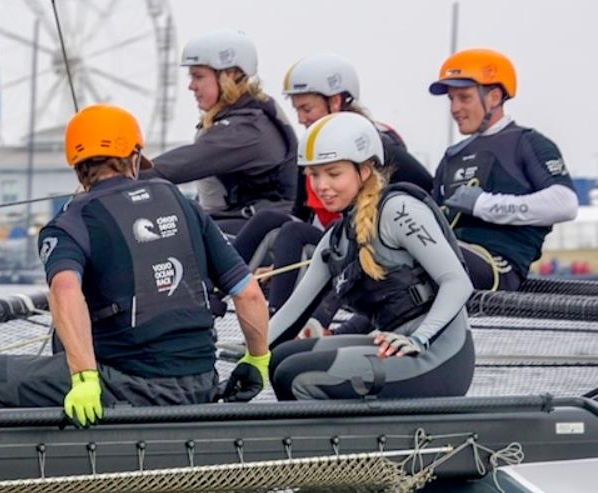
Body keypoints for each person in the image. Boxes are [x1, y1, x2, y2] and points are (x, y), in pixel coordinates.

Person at [0, 104, 271, 423]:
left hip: (129, 388)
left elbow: (64, 293)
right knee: (63, 341)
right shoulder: (182, 203)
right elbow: (248, 294)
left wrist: (85, 380)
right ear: (133, 159)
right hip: (202, 383)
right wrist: (257, 360)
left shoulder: (69, 223)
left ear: (77, 167)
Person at [267, 112, 475, 401]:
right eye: (314, 175)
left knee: (297, 376)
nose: (321, 185)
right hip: (392, 345)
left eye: (333, 173)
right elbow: (292, 311)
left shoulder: (398, 211)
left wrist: (418, 338)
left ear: (364, 171)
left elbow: (458, 282)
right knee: (279, 359)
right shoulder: (336, 238)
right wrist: (250, 359)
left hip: (436, 355)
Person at [234, 52, 434, 334]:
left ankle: (276, 326)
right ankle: (210, 293)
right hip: (333, 240)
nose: (302, 119)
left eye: (307, 109)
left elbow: (426, 185)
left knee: (293, 234)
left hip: (366, 245)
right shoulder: (314, 147)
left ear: (336, 101)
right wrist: (279, 265)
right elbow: (299, 215)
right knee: (268, 219)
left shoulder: (374, 140)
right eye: (298, 111)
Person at [430, 48, 578, 291]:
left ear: (494, 97)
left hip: (497, 267)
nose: (454, 108)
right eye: (451, 99)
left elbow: (565, 203)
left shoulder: (527, 142)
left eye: (464, 97)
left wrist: (483, 204)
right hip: (451, 258)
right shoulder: (452, 156)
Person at [139, 30, 298, 234]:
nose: (191, 86)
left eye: (198, 76)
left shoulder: (247, 129)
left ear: (229, 75)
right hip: (238, 222)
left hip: (257, 229)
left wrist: (121, 173)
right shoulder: (240, 119)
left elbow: (184, 163)